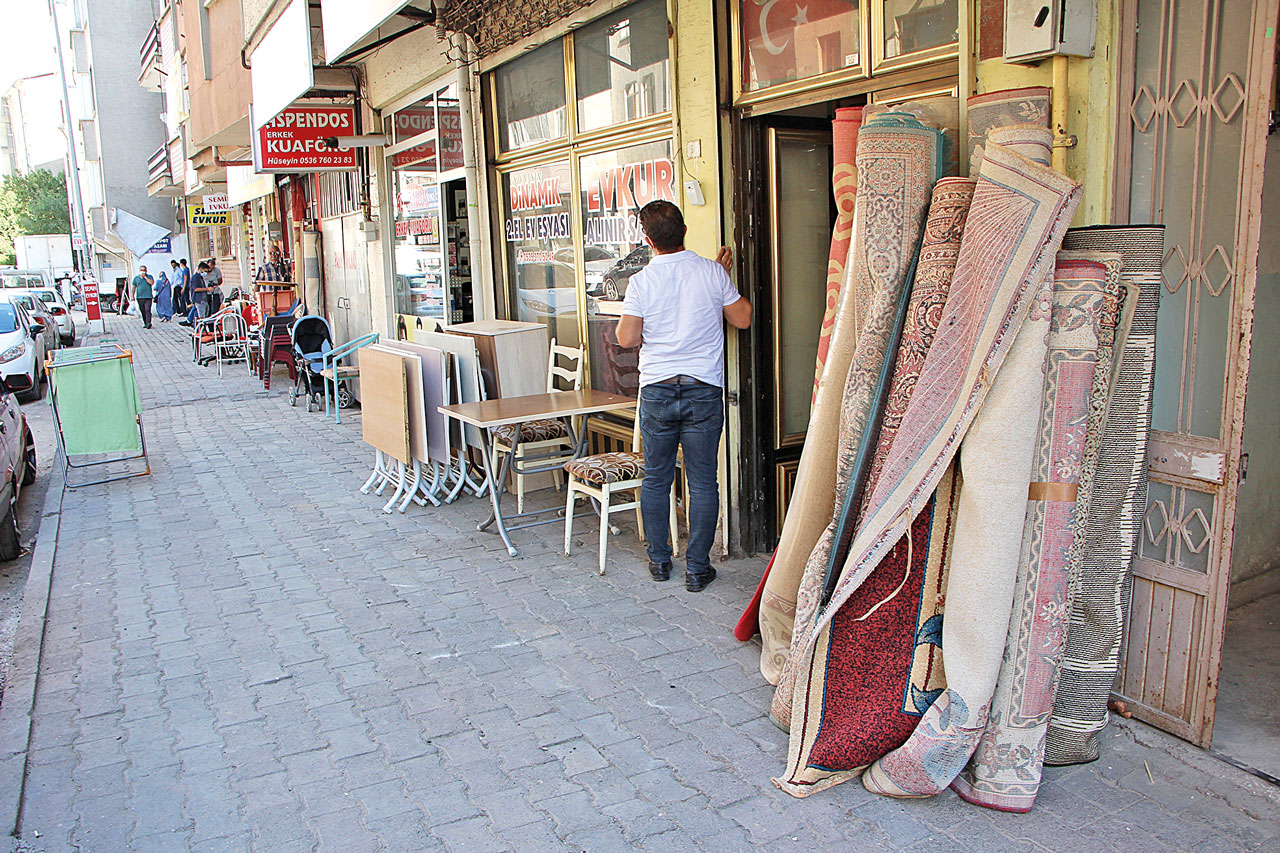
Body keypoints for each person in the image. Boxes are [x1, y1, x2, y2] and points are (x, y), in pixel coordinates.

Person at [615, 200, 752, 592]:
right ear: (685, 231)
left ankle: (659, 563)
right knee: (703, 481)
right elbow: (742, 317)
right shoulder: (711, 273)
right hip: (703, 390)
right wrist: (721, 280)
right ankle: (696, 569)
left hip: (658, 389)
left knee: (657, 478)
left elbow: (627, 338)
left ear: (647, 241)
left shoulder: (641, 281)